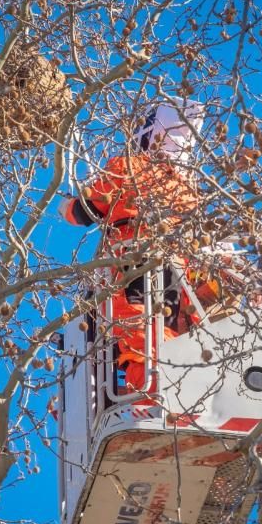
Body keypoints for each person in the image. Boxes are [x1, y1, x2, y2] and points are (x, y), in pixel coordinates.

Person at [60, 101, 206, 396]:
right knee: (161, 333)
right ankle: (165, 392)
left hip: (133, 266)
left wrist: (66, 204)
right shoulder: (189, 192)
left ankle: (147, 396)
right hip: (175, 280)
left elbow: (84, 212)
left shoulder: (128, 167)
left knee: (136, 332)